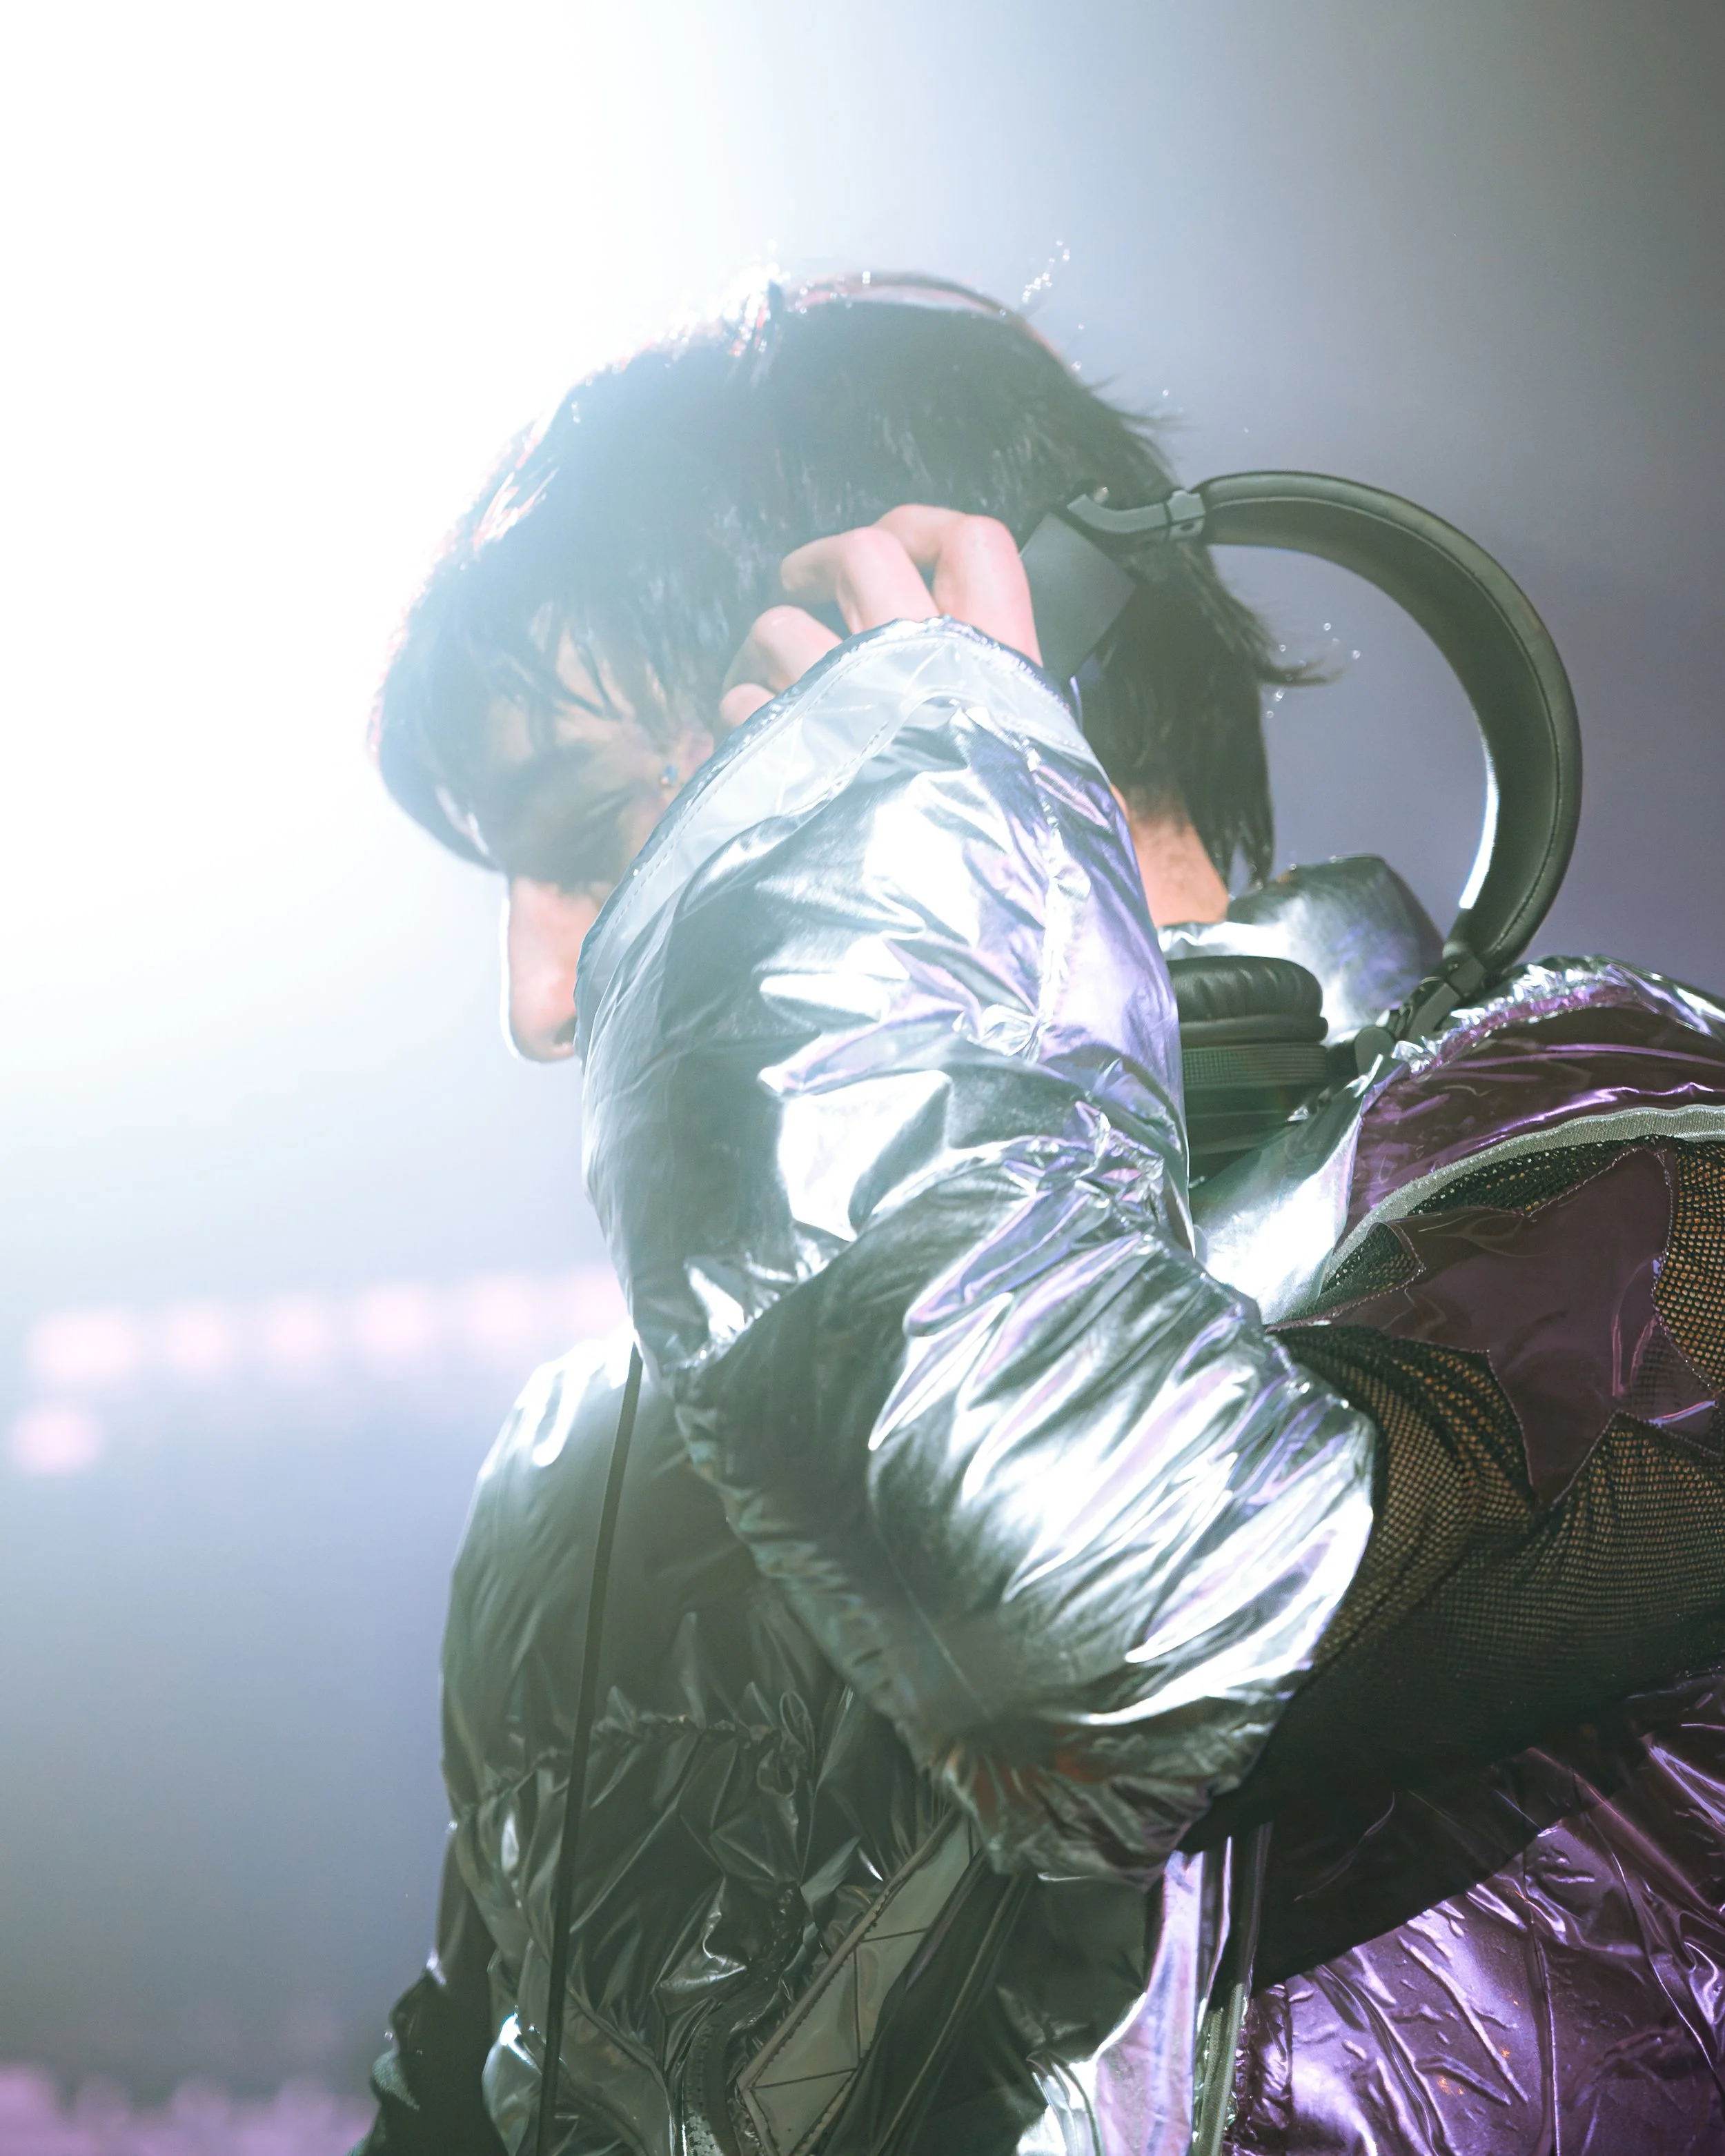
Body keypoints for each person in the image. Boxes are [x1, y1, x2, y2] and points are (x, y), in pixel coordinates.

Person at [358, 277, 1725, 2156]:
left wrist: (898, 793)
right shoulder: (577, 1460)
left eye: (590, 836)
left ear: (947, 682)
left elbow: (1125, 1639)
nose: (533, 993)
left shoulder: (1634, 1162)